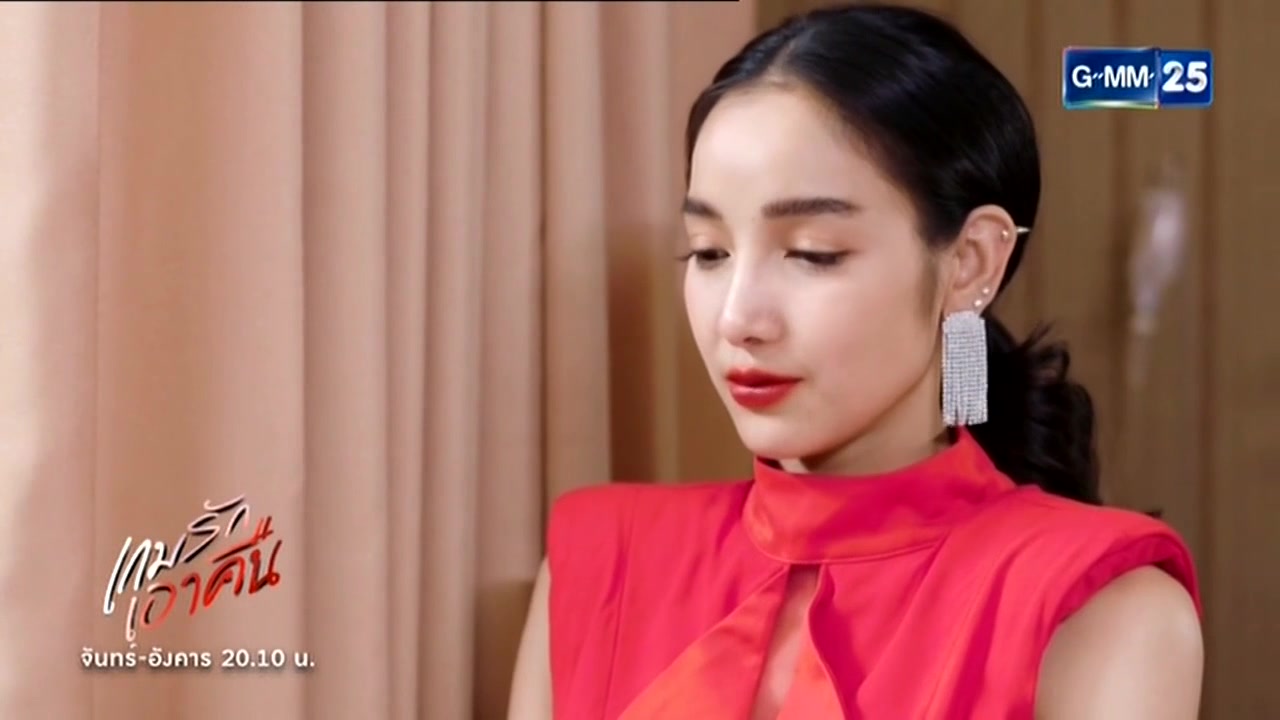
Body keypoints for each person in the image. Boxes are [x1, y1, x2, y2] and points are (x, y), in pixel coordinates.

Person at [509, 4, 1203, 719]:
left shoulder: (1101, 607)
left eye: (813, 253)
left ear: (969, 263)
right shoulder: (601, 563)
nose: (737, 319)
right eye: (709, 253)